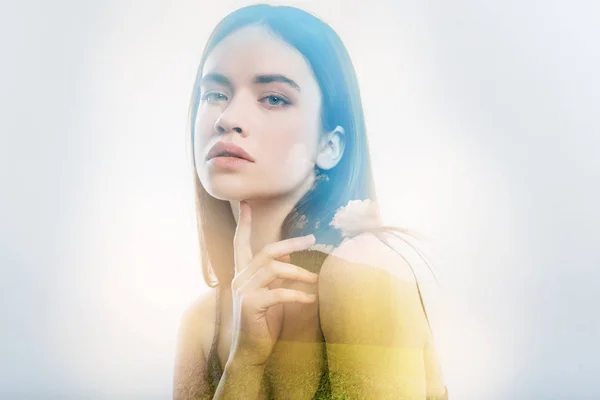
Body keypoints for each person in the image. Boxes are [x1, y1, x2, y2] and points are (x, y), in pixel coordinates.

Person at [173, 4, 448, 399]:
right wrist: (244, 361)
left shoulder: (362, 273)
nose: (228, 117)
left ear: (330, 144)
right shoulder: (203, 322)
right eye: (216, 94)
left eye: (272, 98)